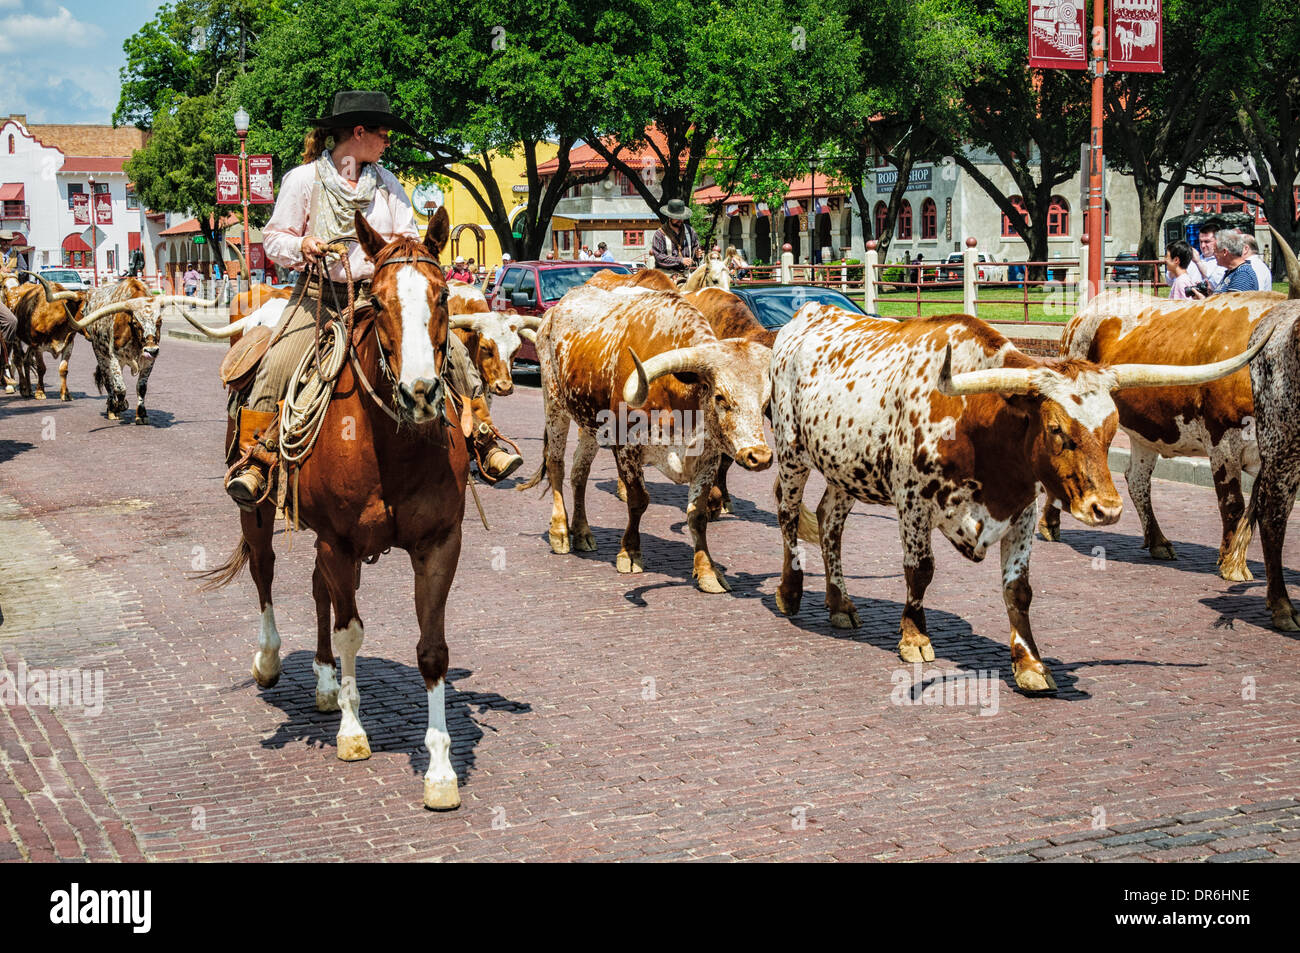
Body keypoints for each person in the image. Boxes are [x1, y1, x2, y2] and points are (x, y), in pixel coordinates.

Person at [224, 90, 521, 508]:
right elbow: (273, 237)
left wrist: (410, 261)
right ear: (358, 132)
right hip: (318, 295)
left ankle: (485, 437)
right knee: (279, 361)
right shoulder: (304, 179)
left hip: (380, 296)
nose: (387, 142)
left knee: (451, 348)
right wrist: (304, 244)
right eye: (383, 134)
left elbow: (410, 237)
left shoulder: (387, 182)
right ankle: (258, 457)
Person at [649, 198, 699, 278]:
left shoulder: (690, 231)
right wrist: (680, 260)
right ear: (669, 217)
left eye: (681, 217)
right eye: (676, 217)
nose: (680, 220)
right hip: (665, 275)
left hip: (686, 274)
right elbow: (659, 257)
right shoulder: (660, 234)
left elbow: (695, 249)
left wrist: (697, 254)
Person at [1208, 229, 1259, 294]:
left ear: (1224, 252)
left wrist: (1203, 300)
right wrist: (1209, 295)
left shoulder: (1243, 274)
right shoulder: (1233, 272)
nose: (1213, 254)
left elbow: (1233, 303)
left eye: (1215, 251)